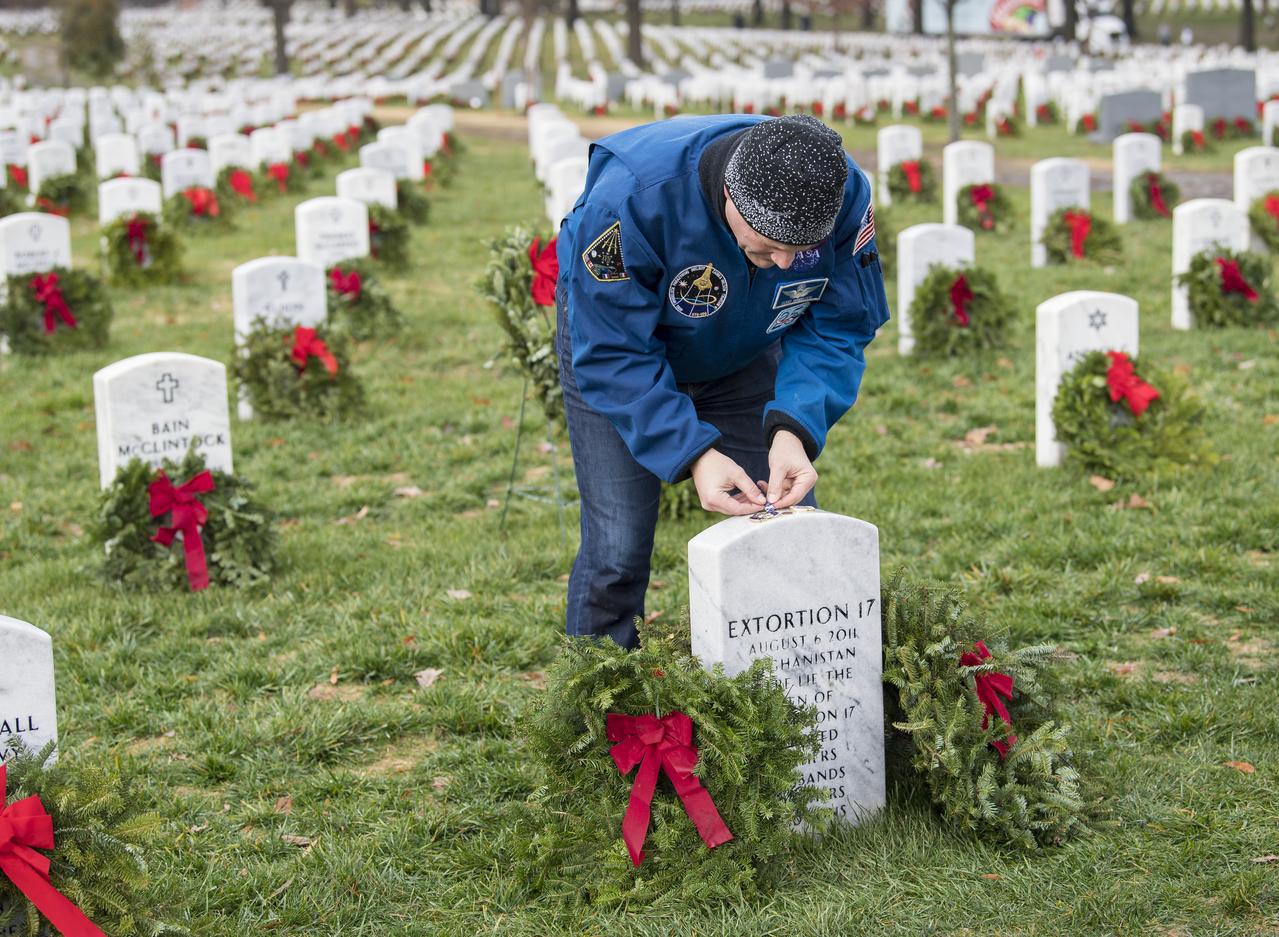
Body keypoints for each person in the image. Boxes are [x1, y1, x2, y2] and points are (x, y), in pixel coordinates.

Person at [554, 114, 889, 649]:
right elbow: (613, 351)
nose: (784, 263)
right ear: (729, 199)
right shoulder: (628, 204)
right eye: (767, 247)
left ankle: (795, 698)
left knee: (789, 533)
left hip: (743, 352)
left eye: (800, 252)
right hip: (618, 361)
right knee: (617, 548)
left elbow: (840, 322)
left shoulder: (840, 191)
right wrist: (693, 453)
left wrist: (793, 429)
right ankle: (598, 708)